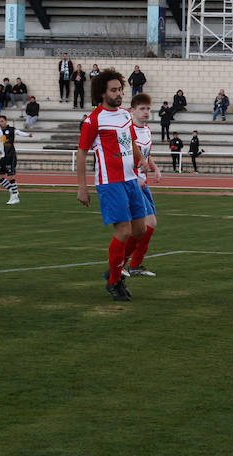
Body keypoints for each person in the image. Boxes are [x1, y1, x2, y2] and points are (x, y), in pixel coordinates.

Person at [76, 68, 155, 301]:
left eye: (120, 89)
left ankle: (115, 268)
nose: (119, 93)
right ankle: (114, 281)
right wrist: (82, 187)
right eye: (114, 90)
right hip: (110, 183)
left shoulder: (123, 115)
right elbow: (81, 154)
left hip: (131, 180)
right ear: (102, 93)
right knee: (124, 230)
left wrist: (140, 159)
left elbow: (130, 142)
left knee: (140, 229)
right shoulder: (93, 120)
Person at [125, 93, 162, 277]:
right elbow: (122, 158)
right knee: (149, 223)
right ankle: (125, 264)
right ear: (132, 110)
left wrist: (154, 168)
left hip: (144, 184)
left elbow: (145, 155)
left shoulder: (146, 130)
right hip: (133, 183)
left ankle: (131, 265)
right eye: (142, 108)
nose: (146, 112)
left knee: (145, 226)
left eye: (148, 108)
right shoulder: (127, 131)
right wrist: (134, 177)